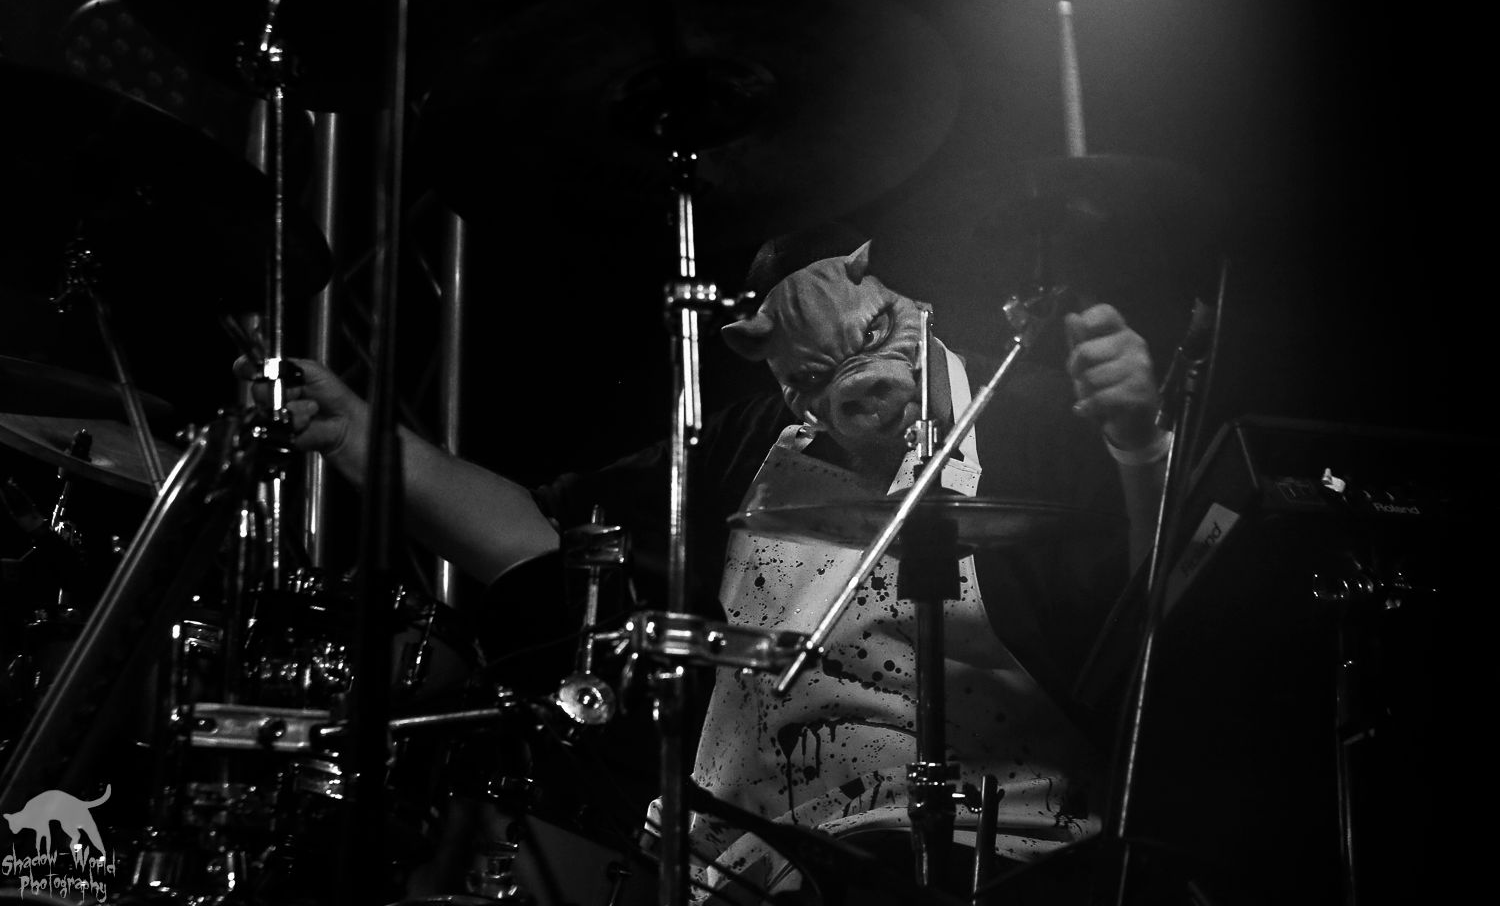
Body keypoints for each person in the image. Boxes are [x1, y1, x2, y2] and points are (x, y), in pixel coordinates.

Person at [243, 227, 1167, 904]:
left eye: (873, 336)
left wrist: (1139, 444)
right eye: (810, 378)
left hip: (979, 856)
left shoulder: (1043, 418)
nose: (855, 387)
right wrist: (357, 436)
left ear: (913, 300)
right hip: (737, 864)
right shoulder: (747, 444)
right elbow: (533, 538)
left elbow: (1159, 618)